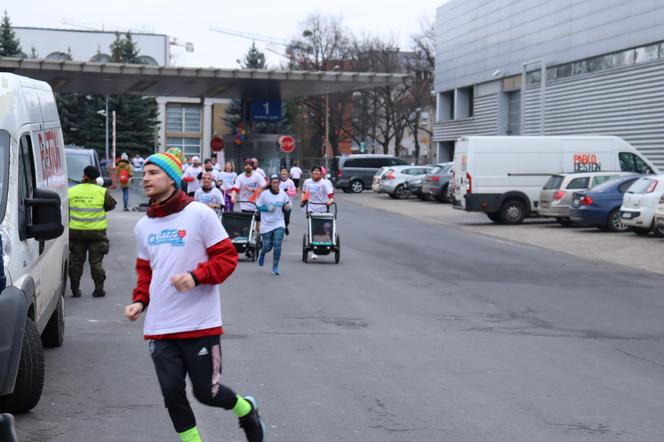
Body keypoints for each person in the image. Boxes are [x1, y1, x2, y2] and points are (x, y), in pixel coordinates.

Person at [124, 152, 265, 442]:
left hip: (200, 324)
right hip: (160, 327)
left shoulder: (199, 214)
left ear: (172, 179)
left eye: (153, 173)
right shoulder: (143, 227)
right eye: (145, 173)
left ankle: (246, 408)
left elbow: (227, 258)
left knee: (208, 393)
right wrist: (140, 300)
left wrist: (196, 276)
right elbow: (145, 272)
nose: (145, 178)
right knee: (172, 393)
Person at [69, 166, 117, 297]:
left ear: (84, 176)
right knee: (96, 263)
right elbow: (111, 205)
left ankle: (75, 289)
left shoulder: (72, 191)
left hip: (76, 233)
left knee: (76, 262)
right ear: (97, 178)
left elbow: (66, 209)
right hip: (97, 234)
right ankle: (99, 289)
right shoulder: (101, 192)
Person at [256, 175, 290, 275]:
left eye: (277, 182)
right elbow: (258, 207)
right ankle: (262, 253)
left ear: (279, 183)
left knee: (277, 244)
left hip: (279, 222)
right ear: (270, 183)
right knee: (267, 246)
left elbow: (286, 205)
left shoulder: (283, 194)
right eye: (273, 182)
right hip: (266, 224)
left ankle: (275, 266)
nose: (275, 184)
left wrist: (287, 207)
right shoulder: (265, 194)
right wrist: (267, 209)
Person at [301, 166, 335, 261]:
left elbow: (330, 196)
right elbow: (304, 192)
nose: (316, 173)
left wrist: (330, 201)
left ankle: (321, 246)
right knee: (312, 228)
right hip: (310, 207)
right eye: (314, 171)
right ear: (311, 173)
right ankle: (313, 251)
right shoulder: (307, 182)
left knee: (321, 229)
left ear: (321, 174)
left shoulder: (324, 183)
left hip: (322, 207)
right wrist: (303, 200)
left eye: (318, 172)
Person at [279, 167, 296, 235]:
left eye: (285, 172)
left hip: (287, 204)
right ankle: (280, 231)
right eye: (282, 172)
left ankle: (285, 226)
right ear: (280, 173)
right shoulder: (277, 181)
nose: (283, 173)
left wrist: (288, 192)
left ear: (287, 173)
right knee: (278, 219)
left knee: (286, 220)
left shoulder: (290, 182)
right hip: (278, 203)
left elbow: (294, 193)